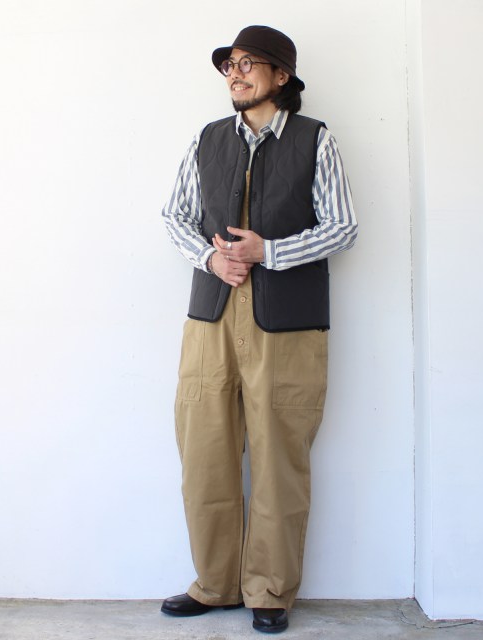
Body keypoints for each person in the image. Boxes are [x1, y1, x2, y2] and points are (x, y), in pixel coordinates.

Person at [160, 25, 358, 634]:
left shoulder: (315, 139)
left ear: (281, 76)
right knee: (205, 455)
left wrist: (267, 251)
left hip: (288, 325)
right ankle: (215, 584)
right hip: (212, 319)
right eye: (230, 65)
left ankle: (269, 590)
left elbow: (343, 226)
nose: (236, 73)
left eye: (249, 63)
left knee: (278, 460)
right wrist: (211, 258)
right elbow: (175, 216)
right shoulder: (206, 140)